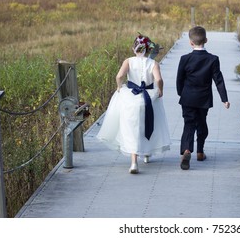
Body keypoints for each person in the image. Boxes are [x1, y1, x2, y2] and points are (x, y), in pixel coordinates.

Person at [97, 34, 171, 174]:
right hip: (148, 98)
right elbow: (159, 80)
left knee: (132, 128)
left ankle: (133, 163)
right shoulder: (153, 63)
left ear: (133, 48)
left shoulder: (128, 61)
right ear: (149, 50)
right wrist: (160, 90)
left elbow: (119, 76)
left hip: (131, 97)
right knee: (149, 123)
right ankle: (147, 154)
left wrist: (119, 87)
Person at [176, 26, 230, 170]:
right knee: (201, 123)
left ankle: (187, 150)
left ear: (190, 42)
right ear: (206, 40)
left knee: (189, 124)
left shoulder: (185, 59)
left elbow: (179, 79)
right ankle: (200, 152)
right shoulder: (213, 59)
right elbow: (218, 80)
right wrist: (224, 99)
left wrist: (182, 93)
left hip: (187, 98)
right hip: (203, 99)